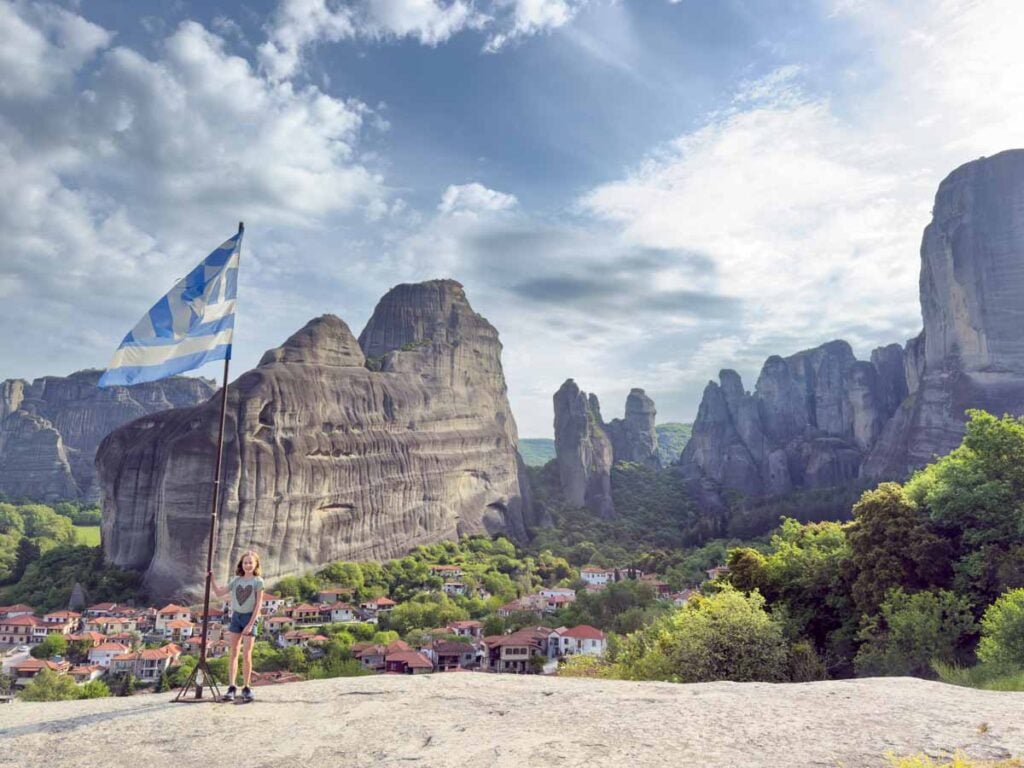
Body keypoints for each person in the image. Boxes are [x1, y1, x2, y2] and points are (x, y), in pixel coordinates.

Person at [210, 550, 264, 702]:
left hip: (249, 618)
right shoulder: (236, 580)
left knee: (246, 654)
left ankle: (246, 687)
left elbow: (258, 604)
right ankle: (231, 687)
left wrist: (251, 624)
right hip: (236, 617)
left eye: (250, 562)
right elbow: (220, 593)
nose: (248, 565)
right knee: (233, 652)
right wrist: (212, 579)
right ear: (241, 564)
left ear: (255, 565)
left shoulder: (258, 581)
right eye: (245, 562)